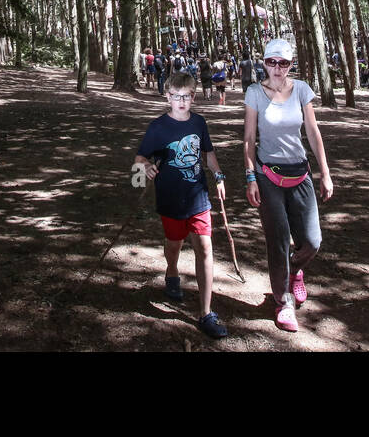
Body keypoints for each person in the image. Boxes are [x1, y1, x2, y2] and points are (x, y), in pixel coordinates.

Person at [243, 39, 333, 333]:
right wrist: (250, 176)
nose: (277, 68)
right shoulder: (255, 92)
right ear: (264, 63)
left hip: (300, 174)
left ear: (291, 64)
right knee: (278, 241)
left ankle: (295, 271)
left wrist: (325, 172)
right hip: (268, 176)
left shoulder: (302, 90)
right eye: (272, 62)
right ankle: (284, 303)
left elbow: (312, 130)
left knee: (312, 242)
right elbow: (248, 138)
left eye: (283, 63)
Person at [134, 72, 228, 338]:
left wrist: (219, 176)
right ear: (168, 97)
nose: (181, 101)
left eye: (186, 96)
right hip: (170, 198)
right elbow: (139, 158)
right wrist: (147, 168)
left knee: (205, 248)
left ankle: (205, 313)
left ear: (193, 97)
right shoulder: (158, 127)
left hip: (198, 196)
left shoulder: (199, 122)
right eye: (176, 96)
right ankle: (172, 272)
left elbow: (208, 153)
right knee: (174, 244)